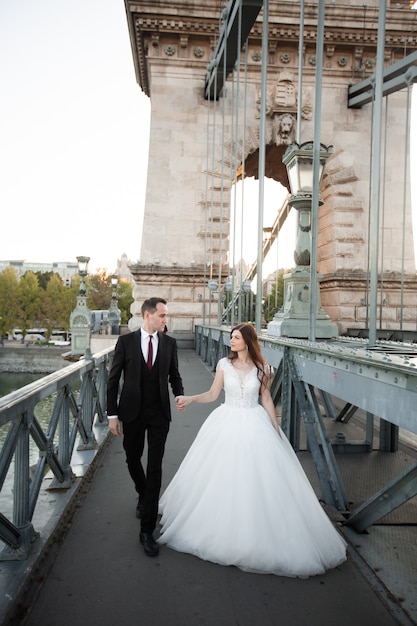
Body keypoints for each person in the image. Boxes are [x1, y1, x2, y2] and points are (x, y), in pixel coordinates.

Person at [158, 323, 347, 577]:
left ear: (247, 341)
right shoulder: (224, 364)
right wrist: (190, 399)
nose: (232, 341)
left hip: (254, 420)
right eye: (231, 337)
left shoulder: (263, 368)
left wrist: (275, 427)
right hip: (226, 419)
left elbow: (266, 398)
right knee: (220, 476)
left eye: (236, 338)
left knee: (258, 478)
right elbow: (214, 394)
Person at [107, 297, 184, 557]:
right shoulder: (126, 342)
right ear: (148, 315)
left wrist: (180, 394)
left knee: (155, 467)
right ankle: (143, 493)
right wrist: (112, 415)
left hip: (159, 414)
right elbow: (113, 379)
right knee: (132, 458)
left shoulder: (169, 343)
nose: (166, 320)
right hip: (131, 413)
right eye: (162, 315)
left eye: (166, 316)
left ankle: (147, 530)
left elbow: (174, 375)